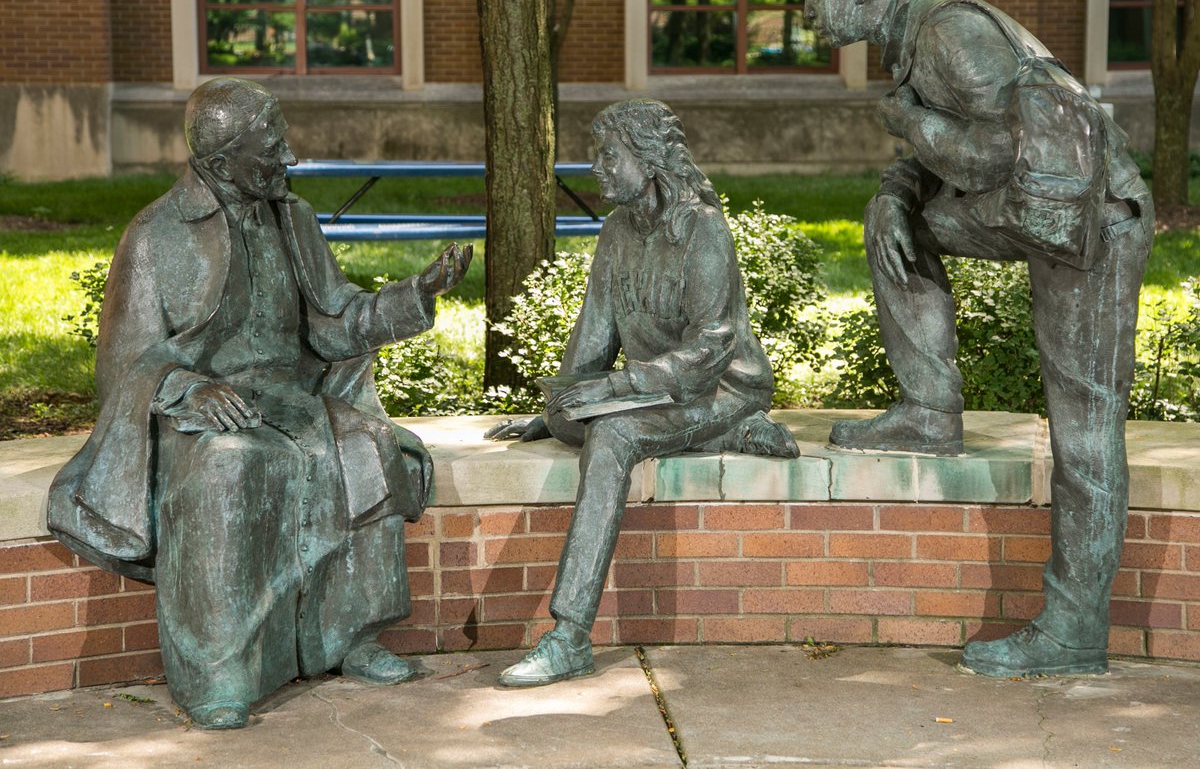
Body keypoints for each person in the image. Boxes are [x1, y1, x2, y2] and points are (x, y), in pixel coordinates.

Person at [48, 78, 471, 729]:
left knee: (371, 444)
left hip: (293, 403)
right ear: (220, 164)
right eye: (272, 147)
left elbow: (336, 321)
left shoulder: (294, 218)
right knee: (230, 468)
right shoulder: (156, 234)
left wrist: (416, 291)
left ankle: (350, 634)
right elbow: (124, 363)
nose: (290, 158)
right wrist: (190, 387)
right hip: (198, 416)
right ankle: (218, 675)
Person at [799, 0, 1153, 677]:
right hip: (1037, 210)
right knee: (892, 221)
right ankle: (930, 412)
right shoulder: (911, 38)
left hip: (1091, 221)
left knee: (1085, 428)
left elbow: (1000, 149)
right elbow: (947, 157)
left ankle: (1073, 628)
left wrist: (914, 122)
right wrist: (898, 189)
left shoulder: (948, 34)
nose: (806, 15)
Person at [489, 98, 798, 687]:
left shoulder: (702, 229)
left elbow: (712, 346)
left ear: (648, 159)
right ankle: (730, 437)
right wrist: (558, 406)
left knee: (612, 433)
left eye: (609, 155)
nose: (597, 167)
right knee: (578, 418)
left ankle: (570, 634)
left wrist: (616, 392)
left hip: (720, 387)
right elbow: (593, 338)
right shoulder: (615, 231)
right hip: (655, 394)